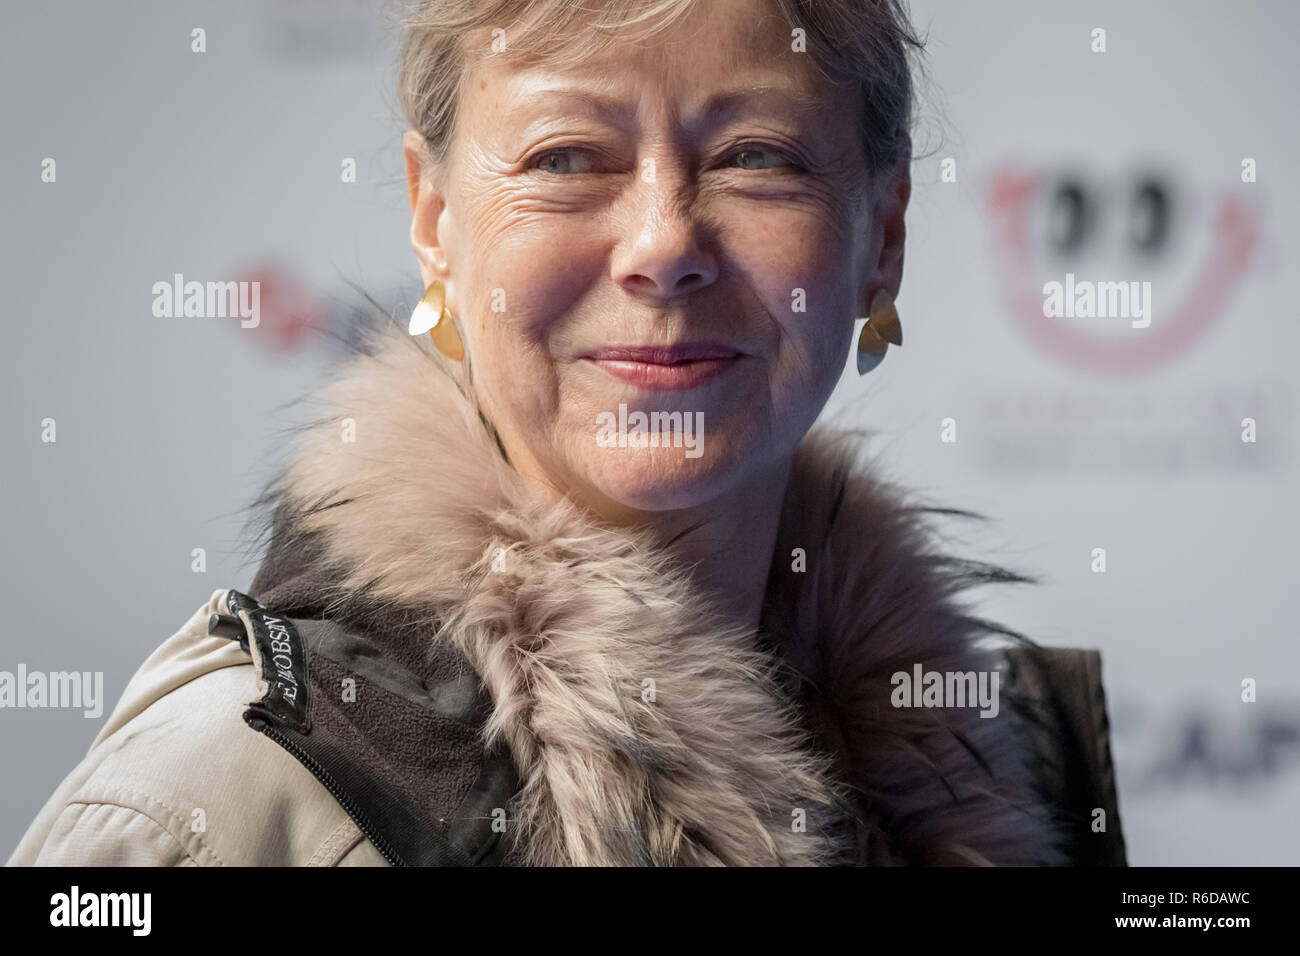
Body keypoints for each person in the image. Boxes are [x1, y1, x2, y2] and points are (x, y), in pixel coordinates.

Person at [8, 0, 1125, 867]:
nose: (661, 244)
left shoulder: (1003, 765)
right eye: (565, 157)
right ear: (434, 222)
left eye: (755, 155)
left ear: (881, 239)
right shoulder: (217, 805)